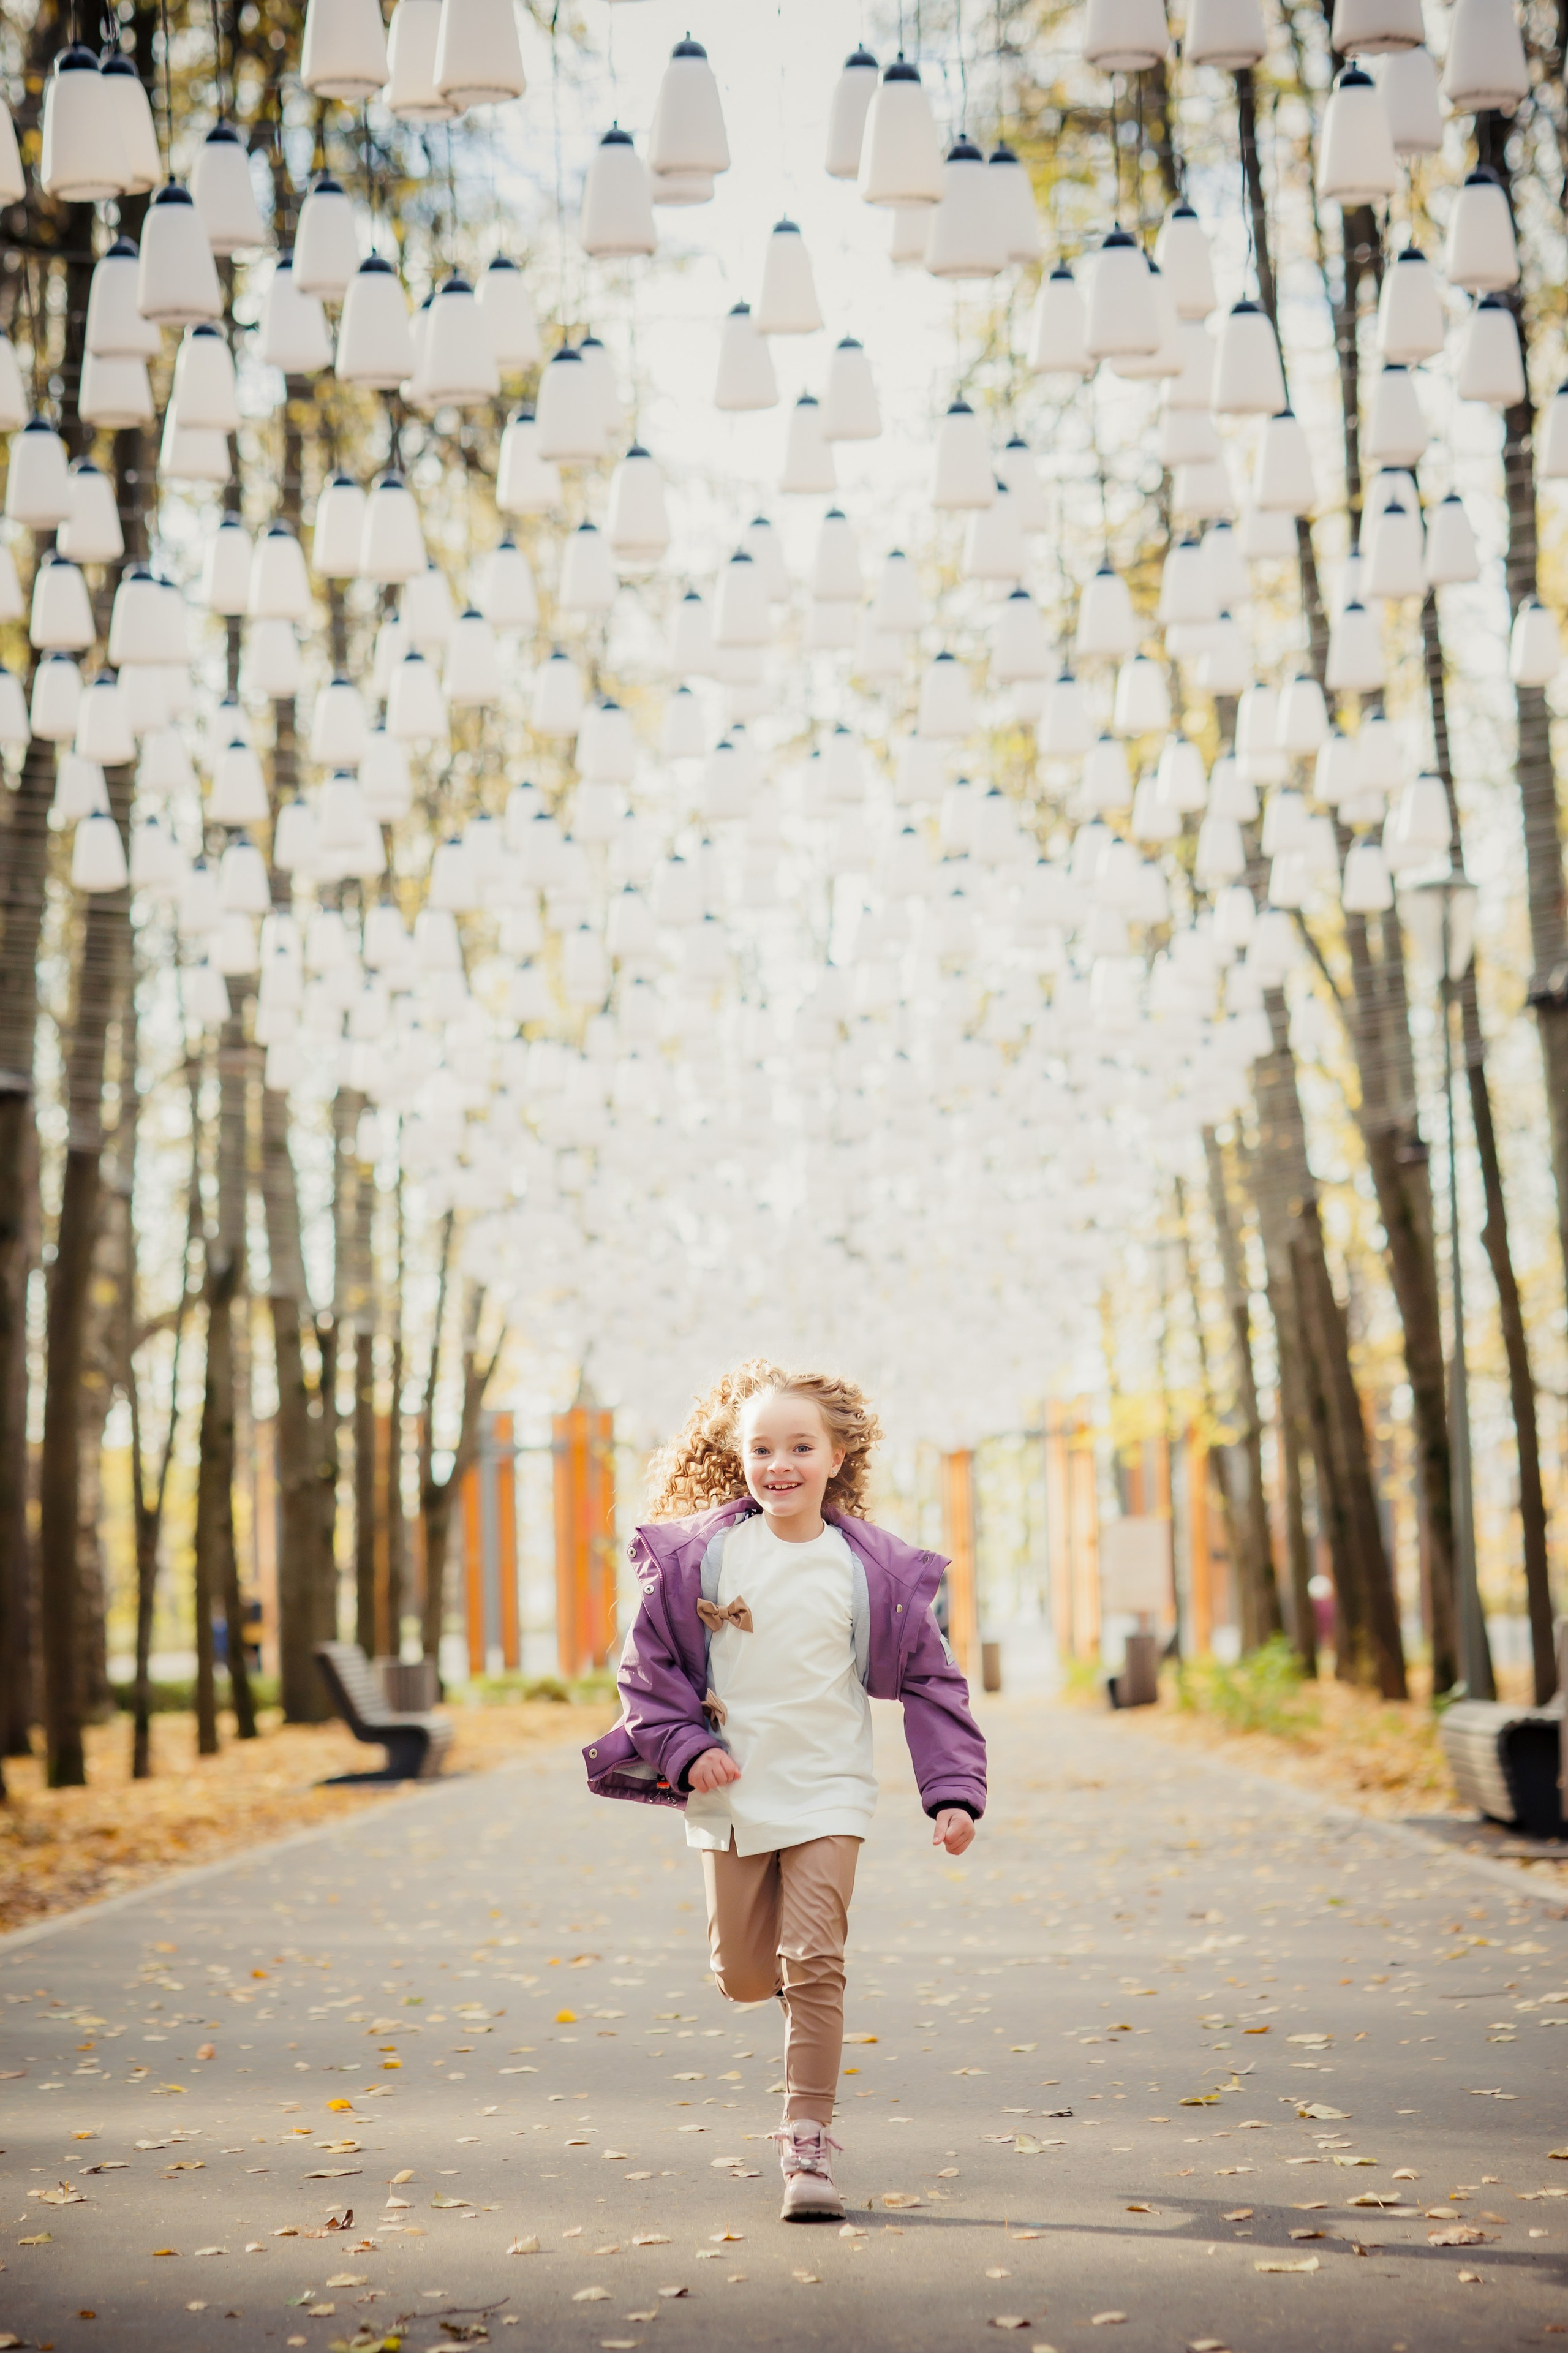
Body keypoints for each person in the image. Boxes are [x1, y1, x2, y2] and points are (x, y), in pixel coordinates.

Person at [583, 1359, 987, 2222]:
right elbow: (645, 1677)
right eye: (762, 1447)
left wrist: (952, 1793)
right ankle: (783, 1991)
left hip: (831, 1790)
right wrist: (689, 1750)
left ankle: (807, 2148)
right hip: (730, 1794)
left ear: (836, 1456)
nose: (781, 1464)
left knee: (816, 1963)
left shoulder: (869, 1568)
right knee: (739, 1974)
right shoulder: (702, 1556)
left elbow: (933, 1682)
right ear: (740, 1456)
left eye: (800, 1446)